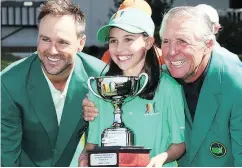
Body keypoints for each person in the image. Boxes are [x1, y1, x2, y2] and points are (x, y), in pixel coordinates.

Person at [82, 6, 242, 167]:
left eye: (182, 41)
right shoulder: (110, 87)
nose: (172, 52)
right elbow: (92, 144)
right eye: (166, 41)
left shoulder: (232, 84)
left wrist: (162, 158)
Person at [1, 0, 106, 166]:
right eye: (45, 39)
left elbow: (107, 138)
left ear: (81, 43)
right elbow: (6, 156)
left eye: (62, 42)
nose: (52, 50)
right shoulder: (9, 83)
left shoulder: (99, 77)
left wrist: (100, 112)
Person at [79, 7, 185, 167]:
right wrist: (84, 159)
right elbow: (91, 144)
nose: (120, 48)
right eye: (113, 40)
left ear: (148, 42)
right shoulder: (101, 90)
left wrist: (162, 157)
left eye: (128, 39)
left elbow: (179, 144)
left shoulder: (169, 88)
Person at [101, 0, 164, 65]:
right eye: (113, 40)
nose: (119, 49)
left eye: (128, 39)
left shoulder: (160, 58)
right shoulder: (109, 57)